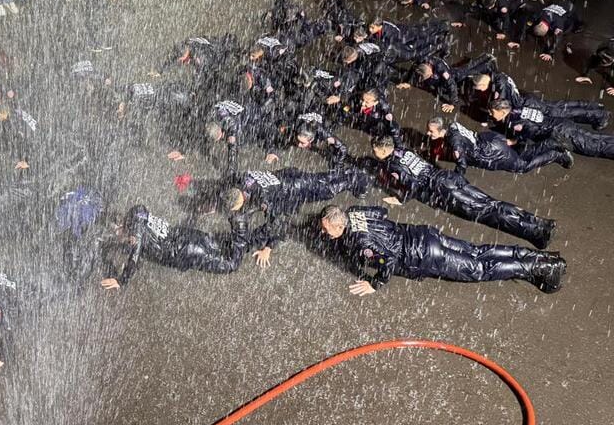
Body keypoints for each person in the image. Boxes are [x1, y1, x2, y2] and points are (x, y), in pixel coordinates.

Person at [319, 205, 565, 295]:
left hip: (424, 255)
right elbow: (382, 213)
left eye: (328, 230)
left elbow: (388, 261)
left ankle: (540, 266)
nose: (325, 233)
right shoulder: (354, 211)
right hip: (425, 235)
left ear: (340, 226)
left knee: (479, 269)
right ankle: (536, 257)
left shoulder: (361, 244)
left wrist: (375, 284)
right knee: (479, 252)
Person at [369, 136, 555, 249]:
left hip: (442, 189)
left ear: (383, 149)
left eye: (375, 150)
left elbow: (412, 185)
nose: (374, 153)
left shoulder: (392, 164)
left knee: (486, 212)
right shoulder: (403, 150)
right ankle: (540, 222)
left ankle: (535, 232)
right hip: (448, 177)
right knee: (492, 203)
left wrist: (401, 199)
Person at [222, 166, 368, 264]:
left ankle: (356, 179)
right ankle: (346, 172)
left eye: (236, 209)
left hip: (296, 188)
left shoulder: (263, 198)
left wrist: (268, 248)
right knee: (319, 179)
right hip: (289, 175)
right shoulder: (242, 179)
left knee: (329, 190)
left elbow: (278, 222)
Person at [101, 204, 249, 289]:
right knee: (225, 244)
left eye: (117, 233)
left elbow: (135, 254)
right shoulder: (138, 211)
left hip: (187, 252)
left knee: (231, 264)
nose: (118, 237)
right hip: (187, 235)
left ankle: (241, 224)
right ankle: (249, 236)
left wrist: (122, 280)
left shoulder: (135, 231)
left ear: (121, 226)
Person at [425, 116, 571, 175]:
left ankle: (555, 152)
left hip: (490, 152)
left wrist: (455, 179)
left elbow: (461, 164)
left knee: (521, 166)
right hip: (488, 139)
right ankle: (549, 144)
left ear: (440, 129)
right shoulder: (453, 125)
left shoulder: (454, 142)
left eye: (431, 131)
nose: (428, 133)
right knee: (518, 152)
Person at [462, 69, 608, 128]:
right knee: (559, 106)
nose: (479, 91)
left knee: (561, 113)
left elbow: (501, 107)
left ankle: (598, 115)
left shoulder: (499, 88)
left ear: (483, 83)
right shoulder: (497, 75)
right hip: (527, 98)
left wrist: (489, 118)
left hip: (527, 104)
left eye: (479, 88)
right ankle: (592, 106)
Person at [489, 99, 614, 161]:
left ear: (503, 111)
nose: (491, 114)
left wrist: (515, 140)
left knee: (592, 147)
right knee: (594, 137)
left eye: (493, 112)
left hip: (560, 131)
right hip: (560, 123)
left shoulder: (515, 123)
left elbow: (529, 132)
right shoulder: (518, 108)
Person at [395, 53, 496, 111]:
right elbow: (414, 70)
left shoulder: (441, 70)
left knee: (468, 70)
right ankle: (486, 59)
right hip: (442, 74)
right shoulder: (421, 61)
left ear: (430, 68)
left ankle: (488, 62)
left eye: (429, 76)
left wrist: (453, 103)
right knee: (467, 68)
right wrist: (408, 82)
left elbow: (451, 84)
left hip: (454, 74)